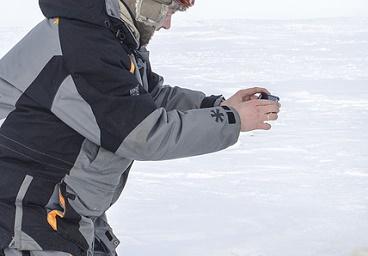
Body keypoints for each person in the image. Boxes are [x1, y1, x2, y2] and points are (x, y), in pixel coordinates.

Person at [0, 0, 280, 255]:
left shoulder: (103, 38)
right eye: (168, 10)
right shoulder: (82, 46)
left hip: (60, 213)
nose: (167, 24)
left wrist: (217, 106)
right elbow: (141, 133)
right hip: (24, 220)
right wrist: (232, 119)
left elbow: (150, 97)